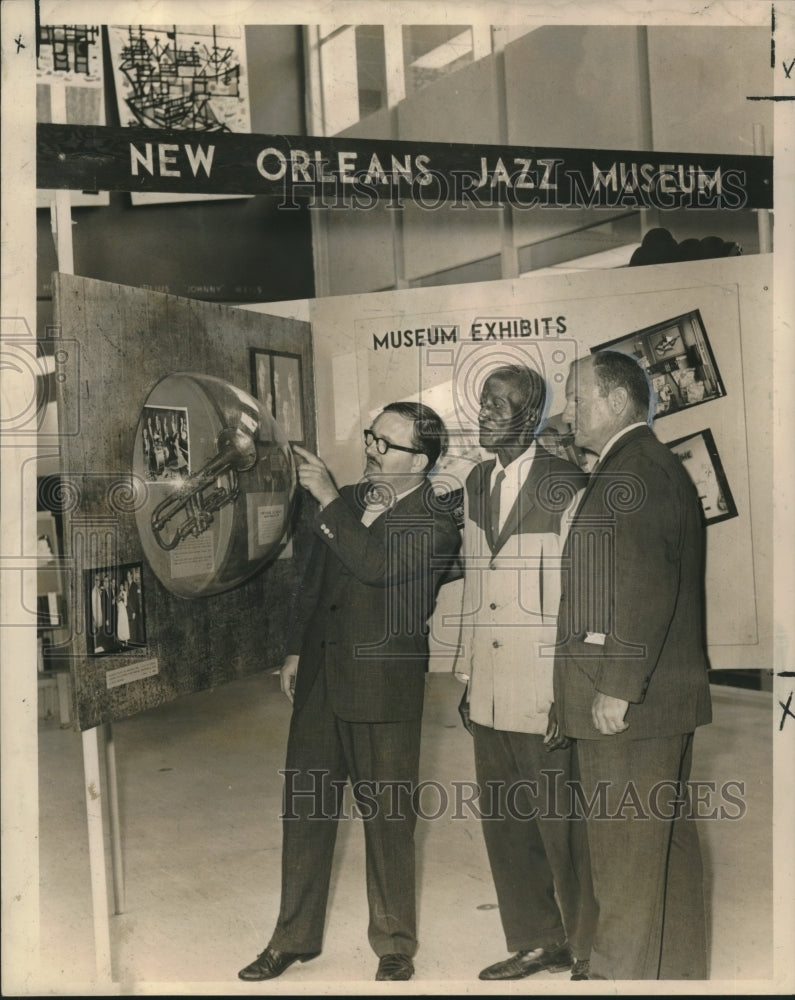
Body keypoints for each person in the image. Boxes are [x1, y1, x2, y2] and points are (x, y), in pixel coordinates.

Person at [238, 401, 461, 984]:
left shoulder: (436, 522)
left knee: (388, 819)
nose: (371, 449)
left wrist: (329, 497)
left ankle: (394, 943)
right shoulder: (352, 502)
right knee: (305, 811)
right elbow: (315, 580)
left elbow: (376, 566)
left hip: (383, 687)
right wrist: (294, 648)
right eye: (371, 436)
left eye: (387, 444)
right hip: (320, 678)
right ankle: (293, 937)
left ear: (422, 461)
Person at [553, 351, 712, 980]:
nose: (567, 413)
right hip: (662, 704)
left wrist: (616, 687)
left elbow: (644, 584)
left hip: (630, 708)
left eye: (576, 398)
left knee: (622, 867)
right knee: (664, 855)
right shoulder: (647, 463)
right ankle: (678, 979)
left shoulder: (634, 470)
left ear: (617, 402)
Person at [455, 364, 595, 982]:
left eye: (499, 404)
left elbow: (584, 599)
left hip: (544, 692)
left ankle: (588, 947)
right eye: (482, 402)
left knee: (564, 828)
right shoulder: (476, 481)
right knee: (507, 823)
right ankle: (537, 940)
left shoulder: (567, 483)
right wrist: (465, 674)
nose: (484, 414)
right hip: (488, 688)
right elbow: (474, 584)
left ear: (531, 415)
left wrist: (573, 694)